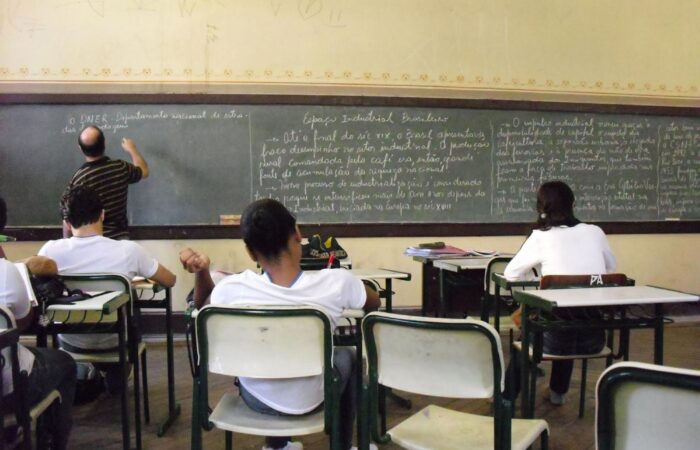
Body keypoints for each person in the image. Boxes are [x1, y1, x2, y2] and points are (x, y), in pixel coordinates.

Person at [180, 198, 380, 450]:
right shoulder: (337, 282)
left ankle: (276, 446)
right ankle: (345, 446)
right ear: (297, 234)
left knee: (268, 358)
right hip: (317, 397)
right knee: (348, 356)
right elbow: (374, 303)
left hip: (257, 400)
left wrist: (202, 271)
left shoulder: (232, 289)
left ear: (250, 252)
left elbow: (201, 304)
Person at [39, 185, 175, 393]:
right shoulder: (128, 250)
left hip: (69, 339)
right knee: (130, 310)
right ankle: (114, 373)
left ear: (66, 222)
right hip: (115, 340)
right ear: (103, 214)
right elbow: (170, 280)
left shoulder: (50, 251)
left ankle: (82, 370)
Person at [503, 180, 616, 405]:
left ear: (540, 207)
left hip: (551, 341)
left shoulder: (541, 236)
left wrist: (541, 281)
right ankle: (558, 393)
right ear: (574, 203)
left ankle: (506, 399)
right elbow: (610, 272)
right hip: (594, 338)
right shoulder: (596, 232)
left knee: (542, 324)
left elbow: (511, 275)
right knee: (568, 312)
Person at [0, 196, 77, 450]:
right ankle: (48, 441)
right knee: (65, 363)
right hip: (8, 383)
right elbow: (23, 322)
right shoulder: (7, 272)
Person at [61, 125, 150, 239]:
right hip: (120, 239)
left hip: (91, 241)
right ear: (104, 143)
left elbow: (66, 218)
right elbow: (144, 171)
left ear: (81, 148)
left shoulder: (78, 179)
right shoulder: (120, 167)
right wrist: (132, 149)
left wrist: (66, 243)